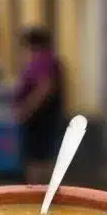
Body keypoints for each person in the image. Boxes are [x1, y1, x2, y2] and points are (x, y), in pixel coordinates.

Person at [13, 27, 66, 184]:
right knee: (43, 158)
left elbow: (44, 88)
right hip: (45, 117)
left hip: (39, 119)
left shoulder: (41, 61)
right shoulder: (50, 61)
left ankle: (37, 195)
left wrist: (26, 110)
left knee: (37, 160)